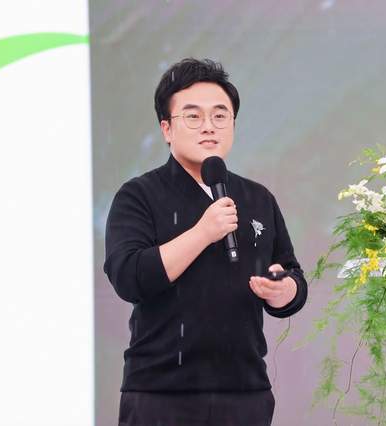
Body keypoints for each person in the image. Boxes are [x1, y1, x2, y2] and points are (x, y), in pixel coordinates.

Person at [103, 58, 308, 426]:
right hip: (161, 393)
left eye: (220, 115)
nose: (209, 126)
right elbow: (129, 277)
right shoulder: (139, 195)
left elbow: (292, 274)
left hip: (245, 392)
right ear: (167, 129)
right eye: (193, 116)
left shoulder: (257, 197)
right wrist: (202, 233)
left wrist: (284, 290)